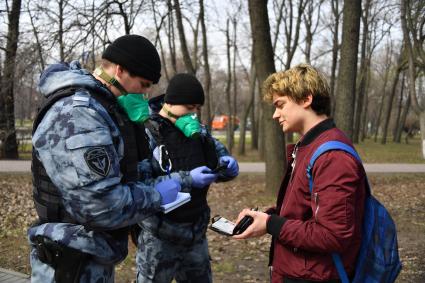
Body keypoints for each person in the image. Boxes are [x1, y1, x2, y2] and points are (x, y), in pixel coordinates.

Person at [29, 35, 216, 283]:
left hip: (91, 256)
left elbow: (134, 172)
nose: (146, 93)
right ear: (119, 70)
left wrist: (179, 180)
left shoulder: (106, 110)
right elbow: (101, 206)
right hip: (68, 263)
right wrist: (159, 195)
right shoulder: (78, 114)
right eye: (143, 83)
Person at [233, 64, 367, 283]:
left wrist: (270, 224)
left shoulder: (332, 156)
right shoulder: (309, 146)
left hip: (316, 276)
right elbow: (305, 209)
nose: (275, 114)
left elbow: (332, 235)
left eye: (280, 105)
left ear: (306, 99)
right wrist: (265, 217)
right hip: (298, 272)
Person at [135, 73, 239, 283]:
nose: (193, 114)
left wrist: (227, 166)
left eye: (196, 109)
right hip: (159, 238)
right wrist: (187, 179)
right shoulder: (145, 132)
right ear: (170, 103)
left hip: (195, 234)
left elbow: (217, 158)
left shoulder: (199, 132)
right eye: (189, 108)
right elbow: (141, 187)